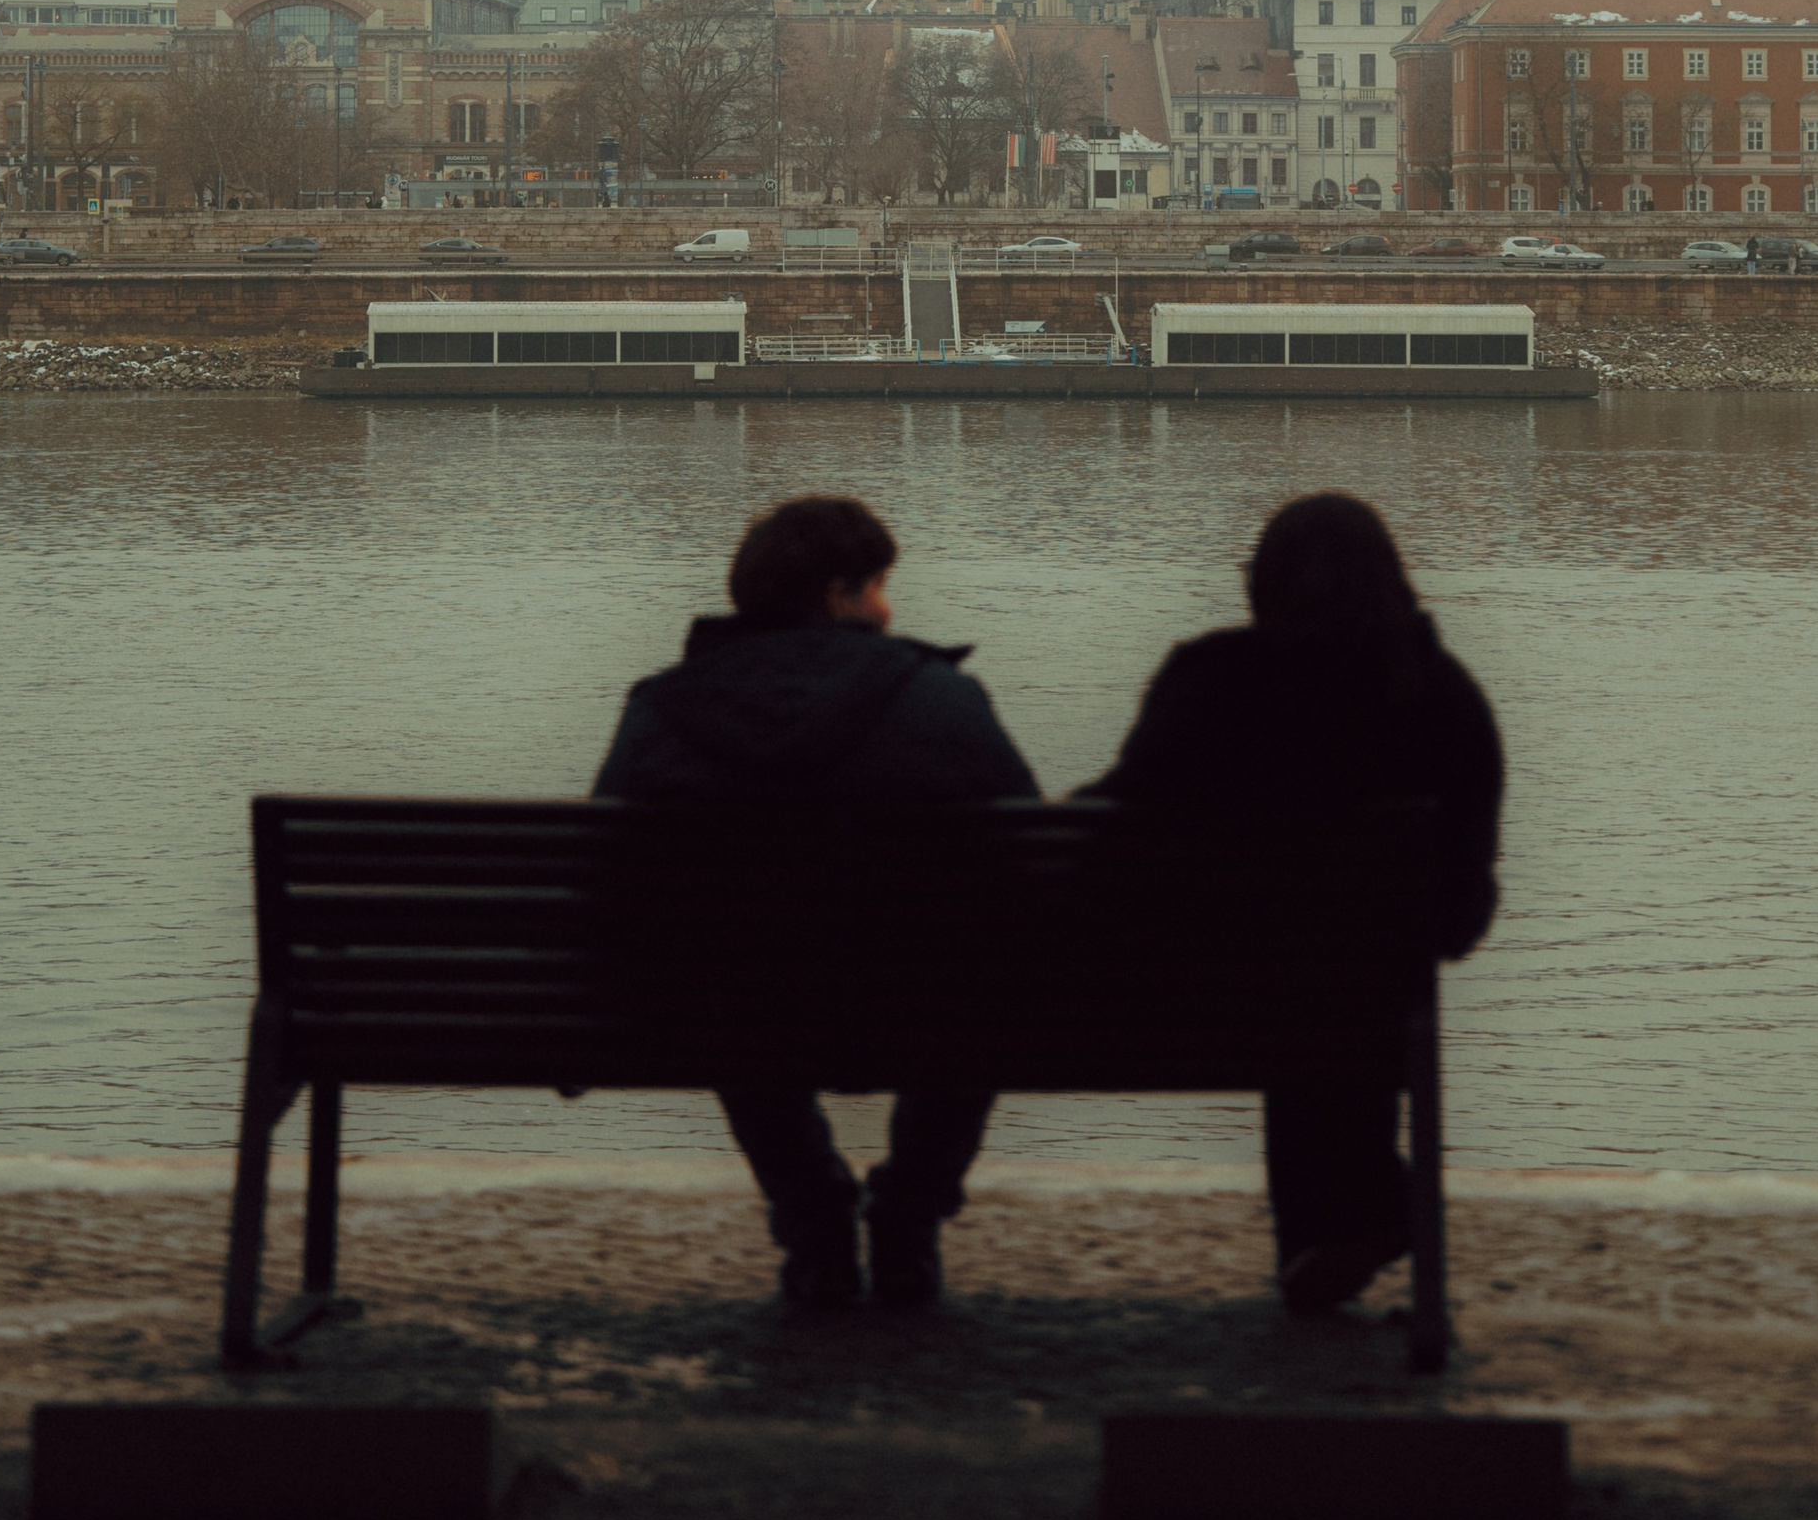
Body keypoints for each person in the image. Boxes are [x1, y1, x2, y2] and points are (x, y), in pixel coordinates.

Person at [592, 494, 1037, 1311]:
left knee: (729, 974)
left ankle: (814, 1223)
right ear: (838, 595)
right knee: (974, 982)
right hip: (920, 1006)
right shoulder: (941, 698)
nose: (888, 607)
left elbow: (610, 881)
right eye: (879, 586)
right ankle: (907, 1223)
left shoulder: (663, 706)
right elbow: (1026, 861)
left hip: (732, 1013)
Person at [1080, 490, 1503, 1318]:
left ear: (1261, 584)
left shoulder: (1211, 678)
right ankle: (1355, 1216)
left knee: (1288, 967)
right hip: (1361, 995)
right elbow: (1461, 908)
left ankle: (1331, 1234)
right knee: (1341, 977)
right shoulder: (1442, 699)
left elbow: (1114, 831)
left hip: (1185, 1001)